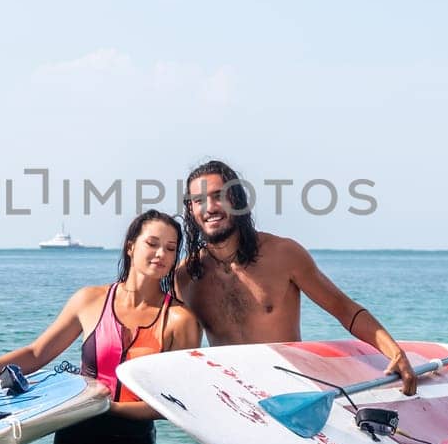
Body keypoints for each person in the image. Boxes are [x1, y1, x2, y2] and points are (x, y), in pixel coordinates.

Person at [0, 209, 202, 444]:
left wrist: (105, 406)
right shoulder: (89, 300)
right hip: (74, 436)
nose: (161, 254)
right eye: (152, 244)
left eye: (171, 248)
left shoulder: (180, 320)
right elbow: (38, 353)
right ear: (131, 247)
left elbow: (174, 402)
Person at [174, 159, 419, 394]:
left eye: (218, 196)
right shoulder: (187, 276)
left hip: (289, 391)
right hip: (235, 400)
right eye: (199, 200)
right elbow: (172, 339)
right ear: (190, 208)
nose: (210, 208)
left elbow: (344, 309)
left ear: (237, 199)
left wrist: (393, 351)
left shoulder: (283, 254)